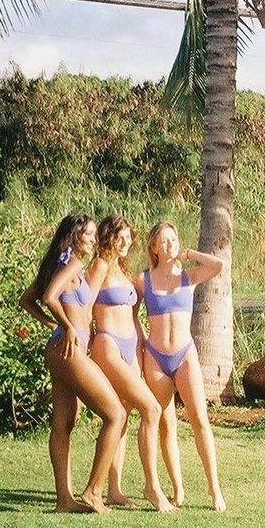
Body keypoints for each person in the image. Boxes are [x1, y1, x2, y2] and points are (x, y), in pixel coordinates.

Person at [18, 213, 126, 515]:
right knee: (116, 414)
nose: (93, 239)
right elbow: (50, 297)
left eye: (93, 234)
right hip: (69, 349)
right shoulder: (72, 264)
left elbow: (27, 299)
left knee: (63, 423)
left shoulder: (59, 264)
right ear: (75, 235)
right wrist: (65, 326)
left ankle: (64, 500)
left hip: (59, 348)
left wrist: (53, 325)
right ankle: (93, 492)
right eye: (88, 234)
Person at [138, 221, 227, 512]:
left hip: (185, 355)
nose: (170, 245)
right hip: (155, 357)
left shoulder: (188, 277)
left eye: (173, 240)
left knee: (200, 419)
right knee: (164, 424)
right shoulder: (143, 280)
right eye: (164, 241)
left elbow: (218, 266)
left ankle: (214, 489)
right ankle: (176, 489)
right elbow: (127, 310)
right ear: (153, 247)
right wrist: (137, 341)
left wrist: (189, 253)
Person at [89, 215, 171, 512]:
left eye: (129, 237)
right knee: (151, 408)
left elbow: (134, 316)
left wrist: (142, 344)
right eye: (120, 237)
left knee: (122, 415)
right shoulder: (99, 266)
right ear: (107, 237)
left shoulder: (123, 270)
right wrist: (79, 338)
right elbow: (84, 306)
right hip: (108, 344)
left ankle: (114, 490)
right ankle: (152, 488)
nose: (126, 242)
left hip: (132, 346)